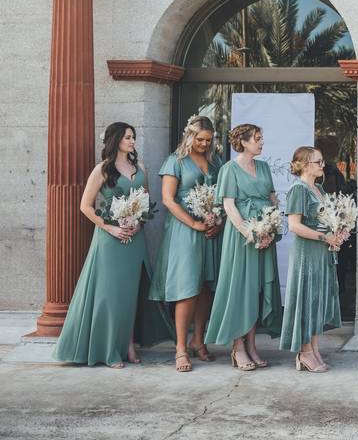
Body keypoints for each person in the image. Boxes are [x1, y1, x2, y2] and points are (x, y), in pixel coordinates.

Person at [54, 122, 173, 367]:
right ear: (116, 139)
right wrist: (111, 227)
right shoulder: (102, 170)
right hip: (109, 239)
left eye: (133, 137)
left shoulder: (140, 167)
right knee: (110, 295)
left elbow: (145, 201)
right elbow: (85, 206)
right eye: (128, 137)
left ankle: (128, 345)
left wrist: (138, 224)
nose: (132, 141)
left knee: (130, 294)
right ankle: (108, 350)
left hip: (134, 238)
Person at [204, 124, 283, 371]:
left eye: (261, 138)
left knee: (257, 288)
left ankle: (252, 345)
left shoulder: (264, 167)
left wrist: (271, 228)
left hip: (265, 232)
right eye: (257, 139)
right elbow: (229, 206)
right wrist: (250, 232)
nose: (261, 143)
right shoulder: (229, 169)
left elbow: (272, 199)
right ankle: (237, 347)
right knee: (241, 287)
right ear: (244, 142)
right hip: (241, 236)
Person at [149, 115, 223, 372]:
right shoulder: (175, 161)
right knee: (188, 286)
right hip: (184, 231)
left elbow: (223, 196)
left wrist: (218, 222)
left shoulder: (215, 162)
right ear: (189, 136)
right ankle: (180, 348)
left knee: (205, 286)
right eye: (200, 139)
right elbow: (168, 200)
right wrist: (194, 224)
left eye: (209, 140)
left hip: (210, 230)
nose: (204, 144)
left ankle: (198, 340)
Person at [280, 147, 344, 372]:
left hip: (322, 252)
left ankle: (314, 349)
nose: (322, 165)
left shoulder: (317, 188)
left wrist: (338, 233)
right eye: (318, 162)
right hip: (307, 252)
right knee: (307, 299)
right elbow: (294, 225)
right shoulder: (298, 189)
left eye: (322, 161)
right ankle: (304, 351)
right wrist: (324, 236)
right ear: (305, 165)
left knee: (317, 299)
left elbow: (328, 219)